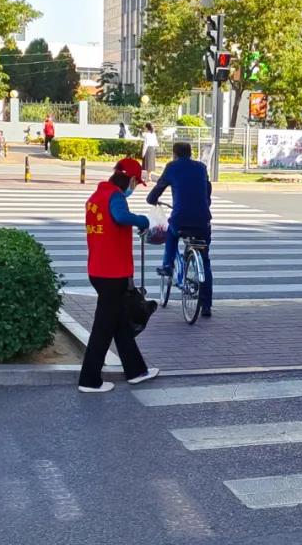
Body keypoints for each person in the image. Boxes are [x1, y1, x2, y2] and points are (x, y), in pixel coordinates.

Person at [78, 158, 159, 393]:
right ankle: (89, 380)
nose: (134, 187)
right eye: (136, 183)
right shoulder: (115, 197)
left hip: (98, 270)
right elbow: (120, 217)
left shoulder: (96, 196)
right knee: (103, 328)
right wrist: (144, 220)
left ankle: (136, 371)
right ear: (131, 179)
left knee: (120, 323)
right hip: (113, 273)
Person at [147, 142, 214, 317]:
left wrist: (152, 199)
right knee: (205, 261)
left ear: (175, 154)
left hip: (181, 219)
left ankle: (167, 266)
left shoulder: (172, 167)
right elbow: (207, 190)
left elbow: (158, 188)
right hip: (203, 221)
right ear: (190, 153)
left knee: (171, 233)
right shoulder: (201, 168)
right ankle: (206, 305)